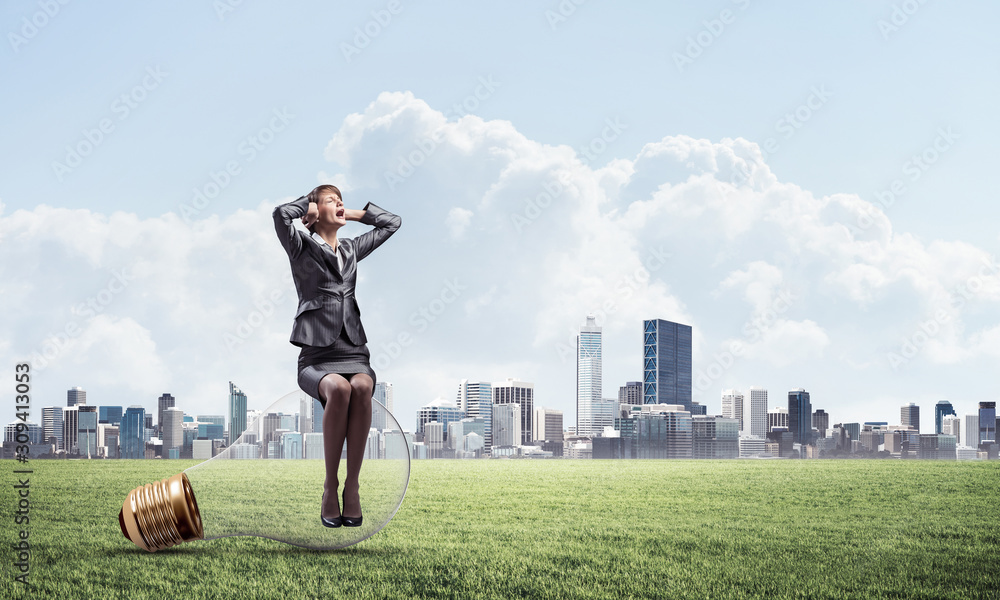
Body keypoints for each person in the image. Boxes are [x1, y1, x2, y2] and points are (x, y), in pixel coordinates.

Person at [272, 184, 401, 528]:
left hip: (354, 351)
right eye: (332, 200)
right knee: (339, 390)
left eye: (340, 199)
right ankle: (330, 486)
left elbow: (392, 223)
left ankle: (353, 486)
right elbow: (280, 214)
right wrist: (308, 208)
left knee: (360, 386)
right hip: (316, 357)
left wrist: (352, 213)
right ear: (314, 213)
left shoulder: (351, 249)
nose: (340, 203)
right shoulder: (300, 245)